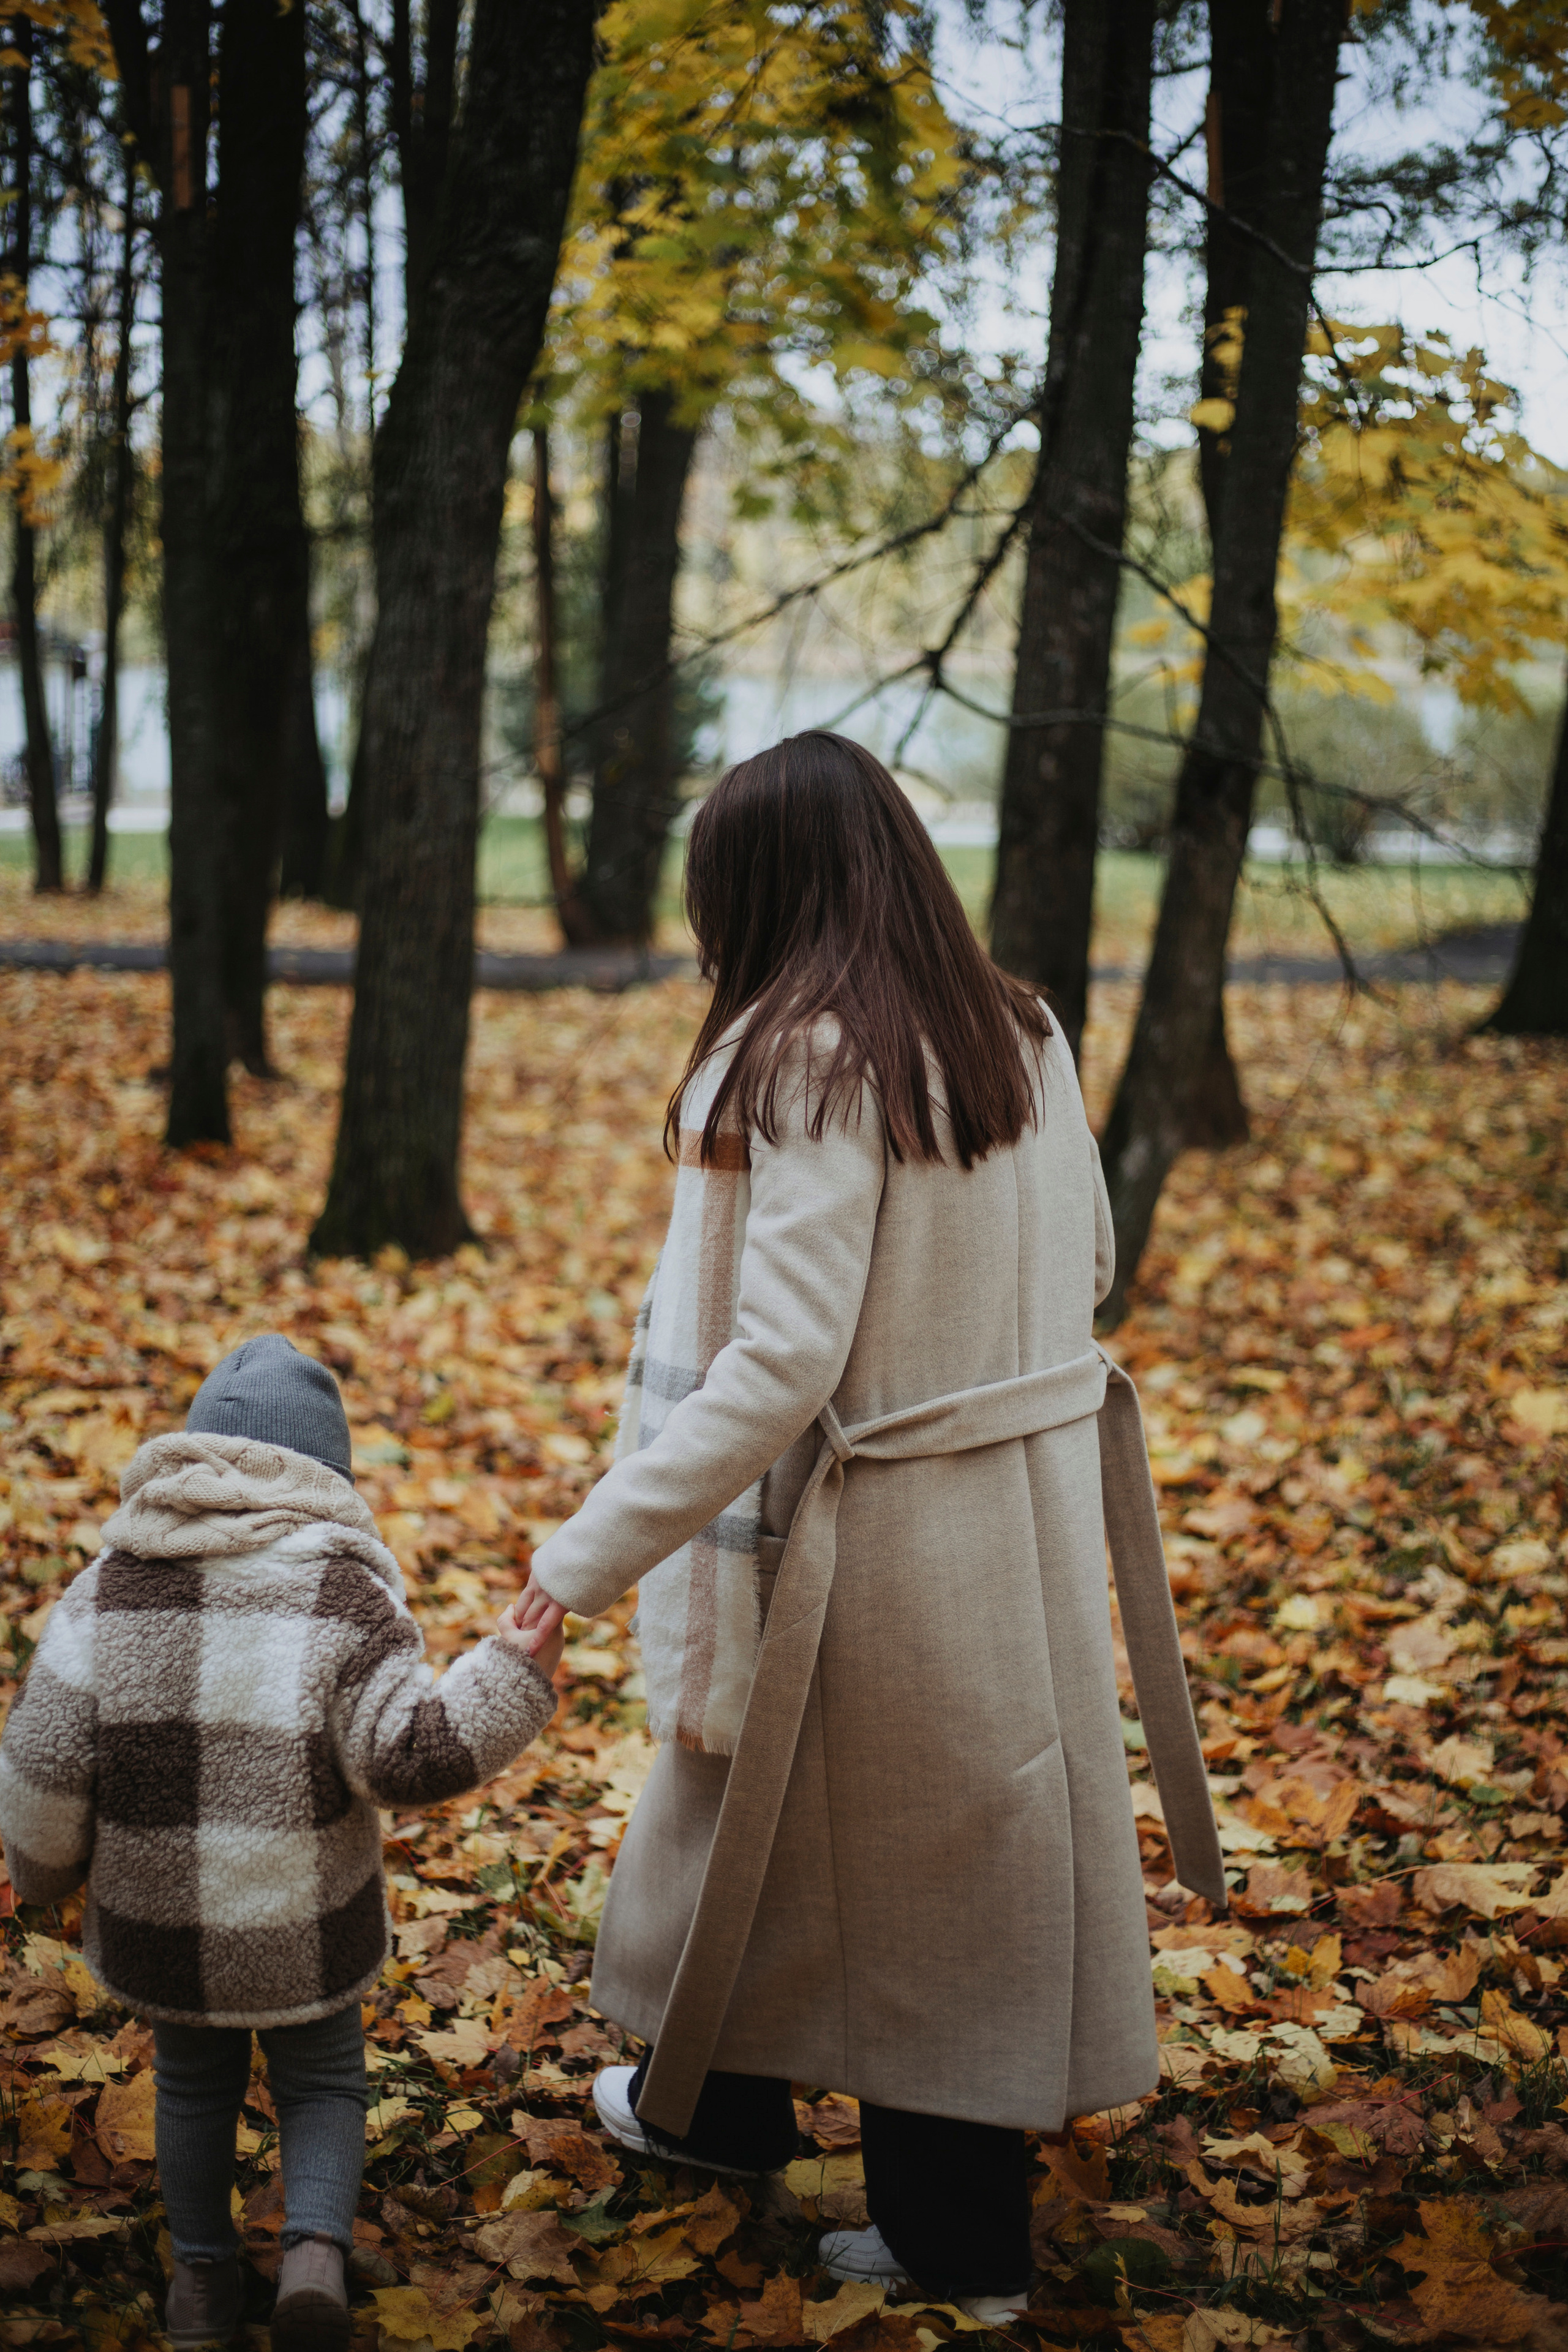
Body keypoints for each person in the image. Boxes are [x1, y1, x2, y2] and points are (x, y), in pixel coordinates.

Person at [504, 731, 1224, 2323]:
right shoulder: (1014, 1027)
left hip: (867, 1545)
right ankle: (719, 2111)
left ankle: (961, 2246)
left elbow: (780, 1362)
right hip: (1008, 1520)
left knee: (901, 1880)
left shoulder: (815, 1059)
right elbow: (1089, 1252)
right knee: (780, 1838)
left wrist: (581, 1552)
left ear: (759, 888)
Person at [0, 1334, 564, 2352]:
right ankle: (312, 2256)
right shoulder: (347, 1598)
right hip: (305, 1922)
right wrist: (510, 1674)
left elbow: (42, 1757)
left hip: (161, 1919)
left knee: (190, 2085)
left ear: (191, 1456)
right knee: (324, 2081)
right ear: (330, 1477)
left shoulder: (109, 1589)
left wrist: (40, 1876)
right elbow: (410, 1756)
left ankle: (203, 2285)